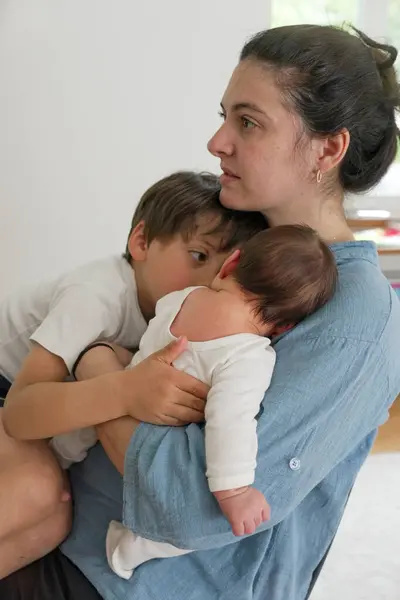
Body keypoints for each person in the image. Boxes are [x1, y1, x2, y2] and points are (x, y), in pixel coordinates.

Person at [1, 22, 400, 600]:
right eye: (224, 116)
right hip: (62, 529)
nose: (217, 141)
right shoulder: (231, 238)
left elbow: (191, 506)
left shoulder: (357, 321)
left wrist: (100, 371)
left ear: (328, 149)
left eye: (248, 121)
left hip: (121, 581)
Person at [0, 170, 266, 578]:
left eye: (223, 270)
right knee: (36, 489)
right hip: (10, 391)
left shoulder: (178, 318)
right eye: (198, 256)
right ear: (141, 242)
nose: (208, 281)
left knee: (56, 521)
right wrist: (124, 391)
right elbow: (19, 413)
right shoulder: (95, 295)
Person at [104, 224, 337, 580]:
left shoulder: (180, 298)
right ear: (286, 327)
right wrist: (235, 491)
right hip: (157, 447)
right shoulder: (248, 354)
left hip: (126, 404)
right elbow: (231, 423)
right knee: (204, 527)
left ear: (231, 263)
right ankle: (131, 545)